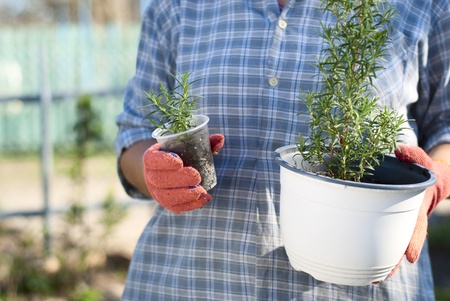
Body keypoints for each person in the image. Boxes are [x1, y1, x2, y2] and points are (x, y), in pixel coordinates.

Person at [114, 0, 450, 300]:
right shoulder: (176, 6)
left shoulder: (422, 5)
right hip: (187, 282)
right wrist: (155, 172)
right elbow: (136, 133)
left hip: (359, 284)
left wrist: (436, 178)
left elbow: (445, 126)